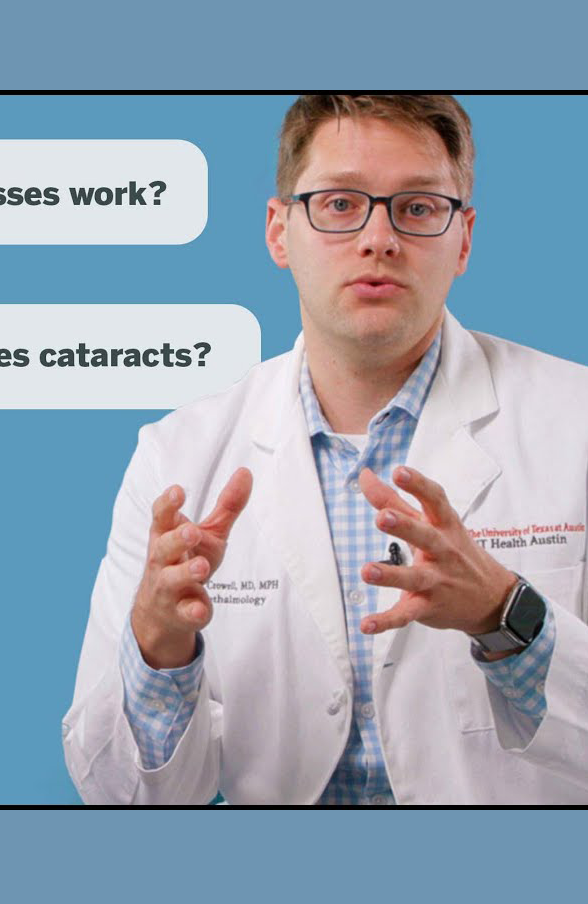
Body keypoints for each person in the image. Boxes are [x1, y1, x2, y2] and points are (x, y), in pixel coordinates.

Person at [63, 95, 588, 804]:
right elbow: (122, 796)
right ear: (279, 232)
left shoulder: (575, 423)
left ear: (463, 240)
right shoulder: (176, 457)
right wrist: (157, 648)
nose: (379, 239)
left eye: (418, 207)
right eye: (340, 204)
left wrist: (504, 614)